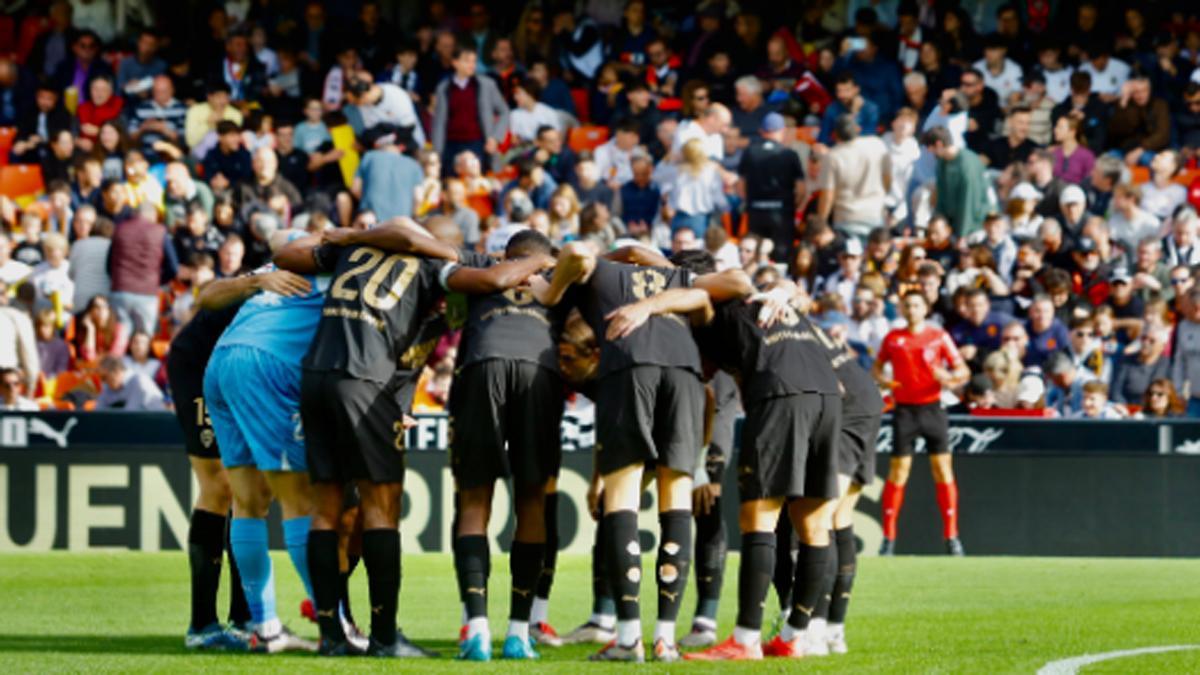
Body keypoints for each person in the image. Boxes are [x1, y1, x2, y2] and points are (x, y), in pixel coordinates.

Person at [276, 220, 548, 658]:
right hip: (364, 379)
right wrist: (538, 259)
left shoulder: (355, 254)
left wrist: (344, 237)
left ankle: (331, 636)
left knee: (326, 508)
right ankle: (385, 637)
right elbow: (495, 278)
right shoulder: (432, 265)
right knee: (381, 506)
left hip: (316, 376)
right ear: (438, 244)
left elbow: (284, 255)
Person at [541, 243, 753, 662]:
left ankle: (627, 638)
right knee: (675, 503)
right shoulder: (676, 277)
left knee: (623, 500)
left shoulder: (598, 272)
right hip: (685, 372)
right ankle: (666, 640)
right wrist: (656, 303)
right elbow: (705, 295)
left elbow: (579, 252)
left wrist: (549, 290)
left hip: (630, 364)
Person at [676, 263, 842, 661]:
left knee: (759, 518)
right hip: (827, 396)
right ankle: (792, 636)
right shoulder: (779, 306)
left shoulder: (720, 313)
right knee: (814, 523)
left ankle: (746, 639)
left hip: (779, 395)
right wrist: (784, 289)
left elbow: (702, 371)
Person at [166, 270, 307, 649]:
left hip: (249, 374)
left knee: (256, 491)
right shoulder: (280, 271)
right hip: (200, 365)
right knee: (220, 486)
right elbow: (208, 294)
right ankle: (202, 626)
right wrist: (255, 283)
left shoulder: (331, 284)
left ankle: (246, 617)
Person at [873, 291, 970, 556]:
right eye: (907, 305)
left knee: (942, 471)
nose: (912, 309)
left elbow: (963, 370)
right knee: (898, 473)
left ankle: (952, 537)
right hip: (905, 411)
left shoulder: (938, 337)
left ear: (926, 308)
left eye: (916, 305)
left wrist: (948, 378)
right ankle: (888, 539)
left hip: (932, 409)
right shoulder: (893, 339)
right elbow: (877, 367)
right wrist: (885, 382)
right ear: (902, 309)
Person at [738, 113, 805, 262]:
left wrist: (749, 202)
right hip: (781, 212)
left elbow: (741, 184)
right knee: (782, 256)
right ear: (782, 130)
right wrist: (792, 206)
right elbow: (801, 189)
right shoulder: (789, 154)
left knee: (754, 254)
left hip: (756, 211)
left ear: (762, 131)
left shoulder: (749, 152)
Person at [432, 45, 510, 172]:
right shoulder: (444, 88)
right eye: (467, 61)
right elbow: (439, 123)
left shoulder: (486, 85)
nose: (471, 65)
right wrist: (437, 151)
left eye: (474, 61)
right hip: (451, 144)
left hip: (478, 143)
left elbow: (504, 111)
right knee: (451, 182)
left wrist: (495, 137)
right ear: (455, 63)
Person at [817, 114, 890, 243]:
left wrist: (821, 223)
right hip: (875, 214)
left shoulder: (832, 156)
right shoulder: (877, 144)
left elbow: (828, 195)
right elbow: (887, 178)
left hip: (846, 220)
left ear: (835, 135)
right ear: (857, 129)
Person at [923, 126, 991, 238]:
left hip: (975, 224)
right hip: (952, 223)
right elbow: (941, 196)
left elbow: (969, 201)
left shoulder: (967, 165)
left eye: (930, 148)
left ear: (939, 144)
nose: (930, 153)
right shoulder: (942, 163)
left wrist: (962, 234)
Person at [95, 354, 166, 411]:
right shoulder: (108, 386)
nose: (103, 382)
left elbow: (129, 417)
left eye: (105, 377)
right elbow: (98, 413)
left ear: (117, 371)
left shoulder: (139, 382)